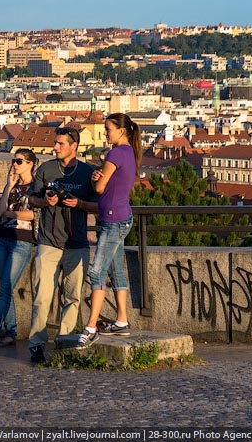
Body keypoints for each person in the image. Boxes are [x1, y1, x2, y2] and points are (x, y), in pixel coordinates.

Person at [26, 127, 99, 364]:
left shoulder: (87, 172)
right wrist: (46, 201)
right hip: (49, 241)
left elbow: (97, 206)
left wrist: (78, 203)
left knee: (73, 296)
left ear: (73, 146)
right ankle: (36, 344)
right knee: (42, 295)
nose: (55, 147)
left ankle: (64, 342)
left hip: (77, 243)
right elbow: (32, 199)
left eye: (60, 144)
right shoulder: (46, 169)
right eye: (55, 143)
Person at [75, 113, 142, 348]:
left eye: (108, 129)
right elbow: (113, 182)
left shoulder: (115, 153)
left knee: (96, 273)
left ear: (121, 131)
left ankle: (91, 327)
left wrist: (96, 180)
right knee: (115, 271)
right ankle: (122, 320)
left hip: (113, 219)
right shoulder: (129, 152)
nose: (105, 133)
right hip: (120, 216)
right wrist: (101, 176)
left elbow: (101, 187)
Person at [0, 149, 38, 349]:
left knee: (5, 287)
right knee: (5, 286)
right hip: (1, 238)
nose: (15, 164)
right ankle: (11, 331)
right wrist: (9, 187)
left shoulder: (37, 186)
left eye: (19, 161)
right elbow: (0, 209)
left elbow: (32, 215)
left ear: (31, 164)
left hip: (22, 240)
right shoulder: (12, 184)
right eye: (13, 160)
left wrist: (10, 214)